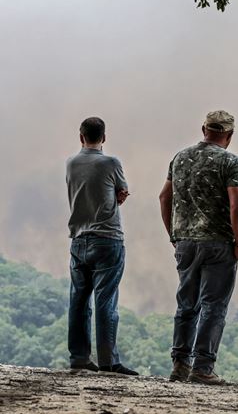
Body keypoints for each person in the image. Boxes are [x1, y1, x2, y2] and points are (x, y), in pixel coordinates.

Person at [158, 110, 238, 385]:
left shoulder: (180, 157)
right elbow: (237, 205)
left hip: (185, 243)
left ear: (203, 129)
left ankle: (180, 365)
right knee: (213, 305)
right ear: (229, 136)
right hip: (218, 243)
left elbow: (164, 197)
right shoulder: (231, 162)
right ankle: (203, 367)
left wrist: (174, 235)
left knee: (186, 303)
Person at [65, 117, 138, 376]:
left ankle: (79, 357)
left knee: (78, 300)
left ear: (80, 136)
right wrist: (117, 196)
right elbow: (121, 193)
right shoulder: (111, 163)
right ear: (104, 138)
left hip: (78, 238)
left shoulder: (71, 163)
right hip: (107, 239)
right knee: (106, 300)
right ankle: (108, 362)